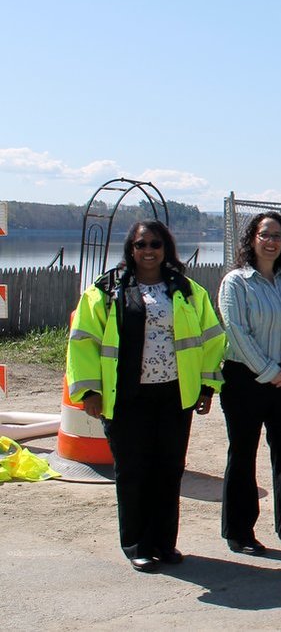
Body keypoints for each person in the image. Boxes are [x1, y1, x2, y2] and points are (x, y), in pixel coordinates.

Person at [66, 220, 225, 573]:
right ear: (131, 249)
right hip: (127, 397)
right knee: (134, 471)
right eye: (141, 245)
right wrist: (90, 392)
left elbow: (211, 339)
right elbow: (82, 343)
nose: (148, 250)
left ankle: (164, 544)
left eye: (155, 244)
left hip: (174, 395)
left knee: (169, 470)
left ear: (166, 248)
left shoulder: (186, 290)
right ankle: (137, 544)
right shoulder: (107, 291)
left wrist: (206, 386)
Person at [218, 211, 281, 554]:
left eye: (278, 236)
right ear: (252, 239)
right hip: (246, 380)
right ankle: (239, 532)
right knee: (243, 454)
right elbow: (237, 332)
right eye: (265, 235)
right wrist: (270, 371)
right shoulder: (236, 283)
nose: (272, 241)